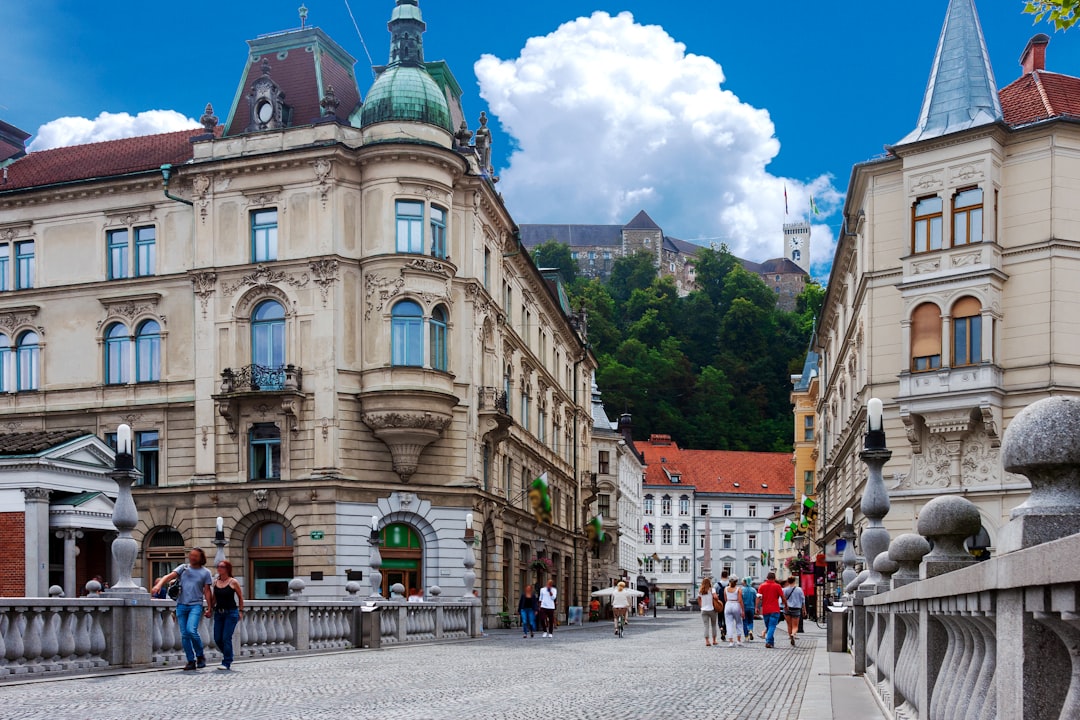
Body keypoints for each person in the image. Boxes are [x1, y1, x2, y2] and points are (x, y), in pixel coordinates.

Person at [152, 548, 213, 671]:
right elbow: (169, 576)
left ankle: (200, 655)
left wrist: (210, 607)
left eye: (195, 556)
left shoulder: (206, 572)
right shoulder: (183, 568)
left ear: (201, 558)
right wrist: (158, 585)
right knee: (184, 635)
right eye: (191, 555)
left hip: (195, 605)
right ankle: (191, 660)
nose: (192, 557)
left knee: (191, 630)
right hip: (181, 605)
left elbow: (207, 591)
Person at [210, 559, 244, 670]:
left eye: (222, 567)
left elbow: (240, 597)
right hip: (219, 613)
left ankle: (227, 661)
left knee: (226, 637)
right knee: (217, 638)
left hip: (231, 613)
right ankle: (229, 655)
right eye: (218, 567)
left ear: (227, 569)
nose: (219, 569)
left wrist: (240, 611)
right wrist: (209, 608)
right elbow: (214, 598)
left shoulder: (233, 582)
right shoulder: (215, 582)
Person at [756, 572, 787, 649]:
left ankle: (771, 643)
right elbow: (782, 597)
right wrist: (786, 604)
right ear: (774, 578)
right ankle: (768, 641)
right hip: (775, 609)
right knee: (772, 626)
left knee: (768, 626)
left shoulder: (762, 586)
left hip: (765, 610)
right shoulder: (777, 586)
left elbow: (758, 598)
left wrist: (756, 607)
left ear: (767, 577)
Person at [783, 576, 807, 646]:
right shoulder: (799, 590)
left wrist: (785, 606)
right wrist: (804, 609)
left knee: (789, 625)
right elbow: (803, 600)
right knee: (795, 626)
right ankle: (793, 634)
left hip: (787, 608)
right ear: (794, 581)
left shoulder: (785, 590)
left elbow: (783, 599)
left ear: (788, 581)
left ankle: (790, 637)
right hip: (796, 608)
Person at [722, 577, 745, 647]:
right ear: (736, 583)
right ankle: (738, 640)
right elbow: (740, 600)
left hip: (728, 604)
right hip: (736, 604)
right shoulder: (738, 589)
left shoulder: (725, 589)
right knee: (739, 622)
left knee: (728, 624)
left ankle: (731, 641)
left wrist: (728, 603)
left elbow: (725, 598)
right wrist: (743, 610)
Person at [698, 577, 720, 646]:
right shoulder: (712, 590)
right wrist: (716, 597)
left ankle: (707, 641)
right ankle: (714, 640)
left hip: (704, 610)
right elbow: (715, 597)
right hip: (711, 609)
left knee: (706, 626)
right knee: (713, 625)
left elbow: (699, 599)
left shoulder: (701, 590)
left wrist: (701, 606)